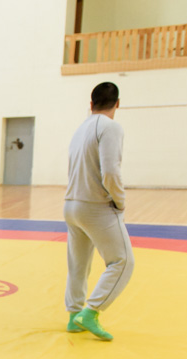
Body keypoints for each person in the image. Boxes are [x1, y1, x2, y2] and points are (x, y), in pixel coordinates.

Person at [63, 82, 132, 341]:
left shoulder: (80, 129)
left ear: (90, 104)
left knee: (78, 265)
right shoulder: (111, 127)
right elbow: (111, 172)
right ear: (117, 104)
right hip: (95, 207)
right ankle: (91, 312)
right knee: (123, 261)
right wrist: (120, 201)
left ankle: (74, 315)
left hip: (71, 204)